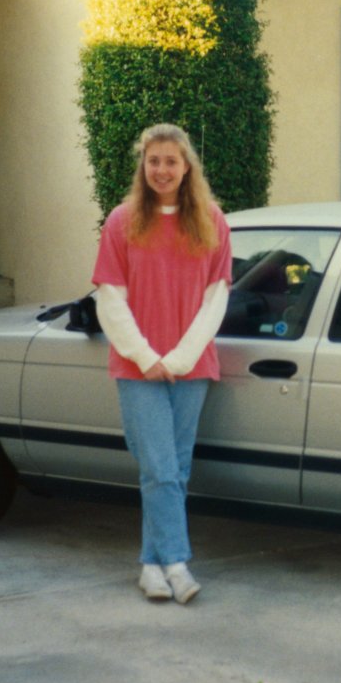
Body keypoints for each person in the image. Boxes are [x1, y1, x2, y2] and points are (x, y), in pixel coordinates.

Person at [92, 124, 232, 604]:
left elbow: (217, 299)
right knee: (159, 468)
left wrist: (180, 357)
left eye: (171, 161)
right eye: (153, 161)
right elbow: (109, 299)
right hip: (138, 369)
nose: (162, 170)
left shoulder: (212, 220)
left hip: (192, 366)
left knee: (174, 469)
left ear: (186, 165)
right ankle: (177, 562)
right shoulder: (122, 221)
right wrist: (149, 358)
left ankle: (151, 566)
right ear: (143, 165)